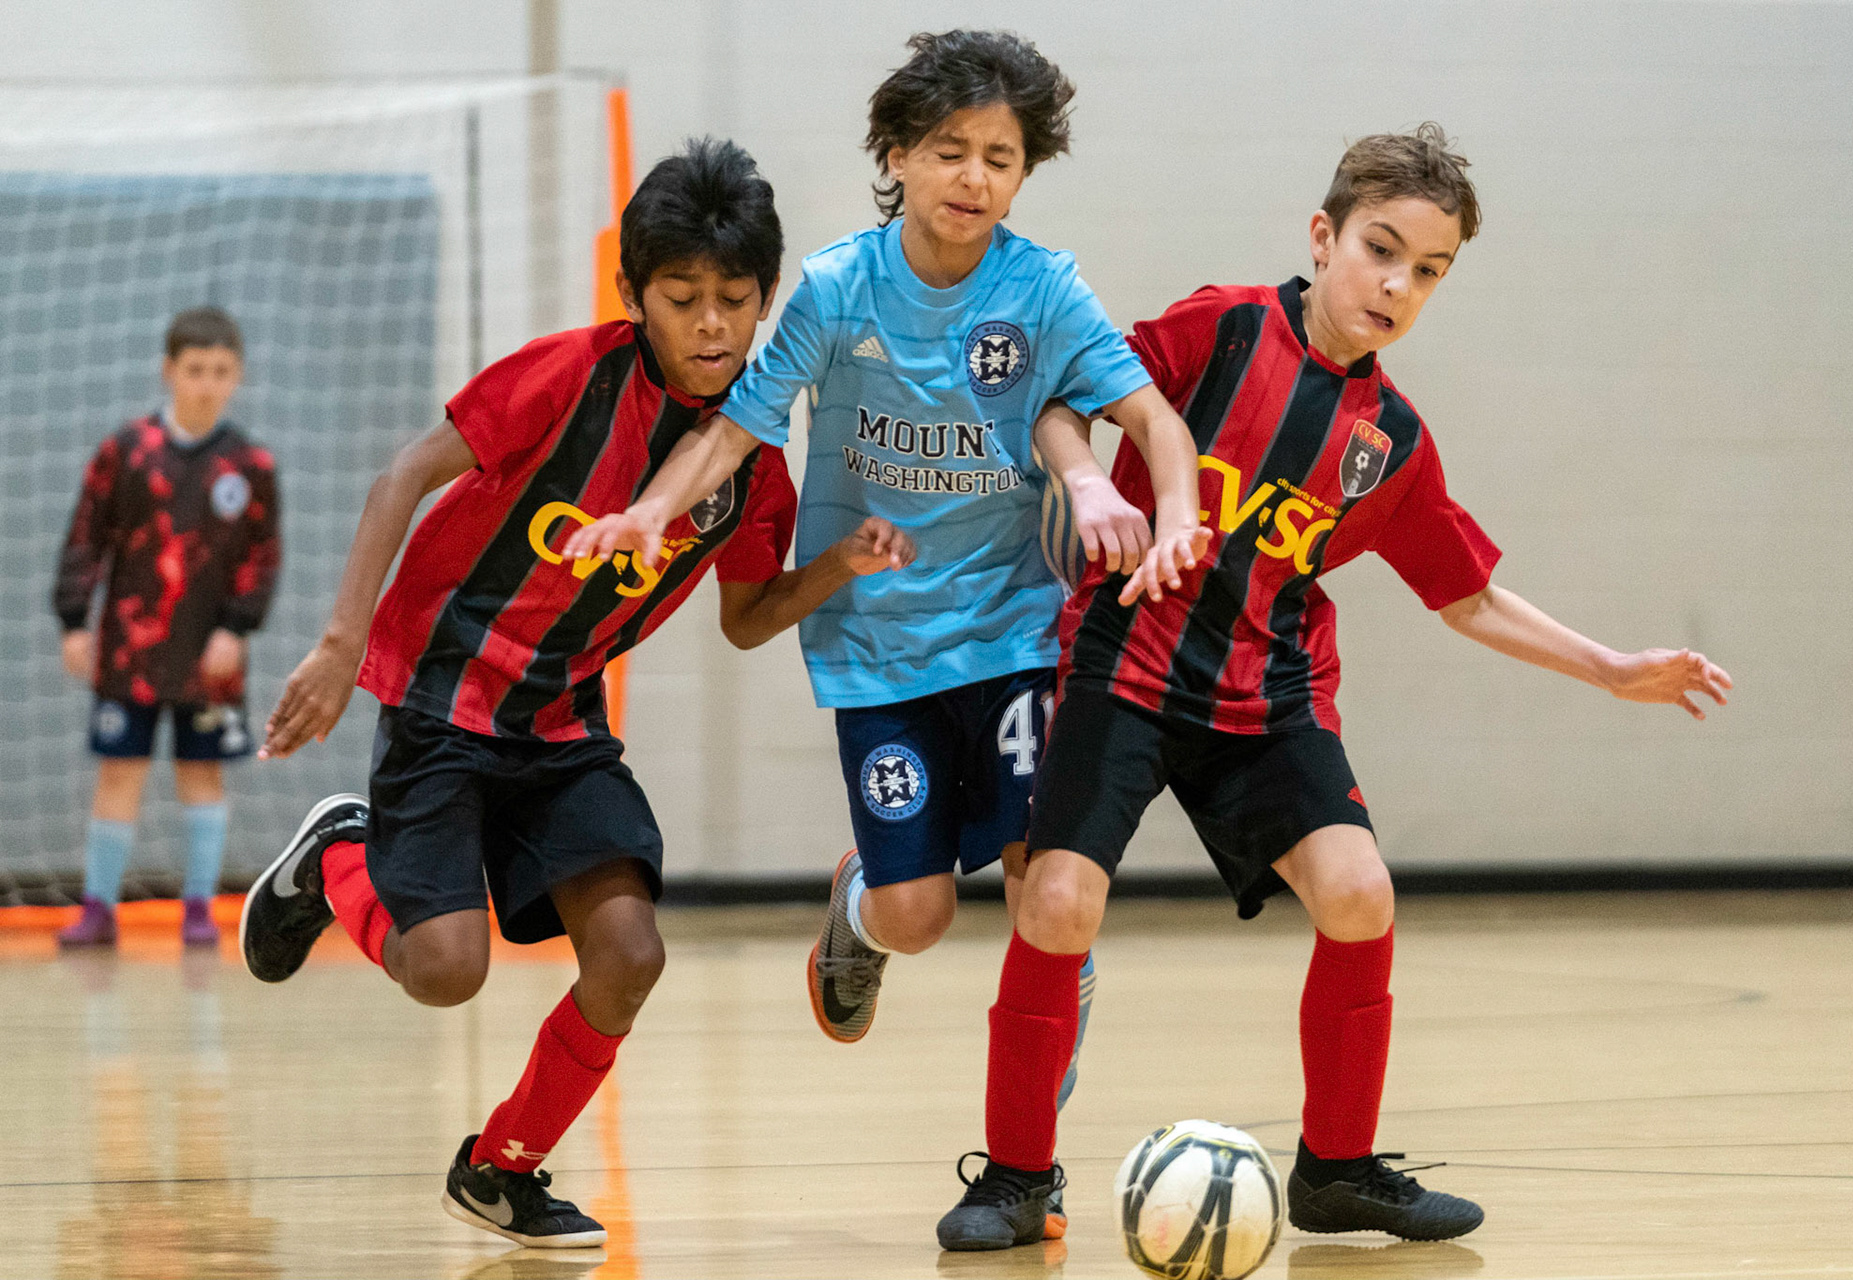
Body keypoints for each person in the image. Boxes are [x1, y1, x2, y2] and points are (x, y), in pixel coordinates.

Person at [935, 123, 1736, 1250]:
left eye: (1429, 270)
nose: (1398, 284)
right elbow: (1065, 399)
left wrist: (1611, 668)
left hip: (1268, 697)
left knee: (1361, 893)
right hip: (1124, 666)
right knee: (1058, 902)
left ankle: (1339, 1169)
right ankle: (1015, 1179)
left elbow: (1468, 596)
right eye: (1380, 249)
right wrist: (1086, 483)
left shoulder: (1390, 441)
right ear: (1322, 236)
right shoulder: (1218, 328)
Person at [562, 30, 1208, 1241]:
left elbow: (1154, 418)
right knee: (918, 913)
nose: (974, 176)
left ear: (1026, 173)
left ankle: (1028, 1162)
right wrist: (651, 510)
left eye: (1001, 157)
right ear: (898, 154)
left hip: (1015, 632)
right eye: (950, 150)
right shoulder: (838, 286)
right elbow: (738, 431)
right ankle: (859, 904)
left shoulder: (1046, 289)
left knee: (1041, 891)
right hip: (877, 647)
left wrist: (1167, 512)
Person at [236, 138, 914, 1250]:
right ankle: (337, 857)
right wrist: (336, 641)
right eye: (681, 297)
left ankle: (503, 1167)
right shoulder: (570, 374)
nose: (708, 325)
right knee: (447, 971)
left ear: (764, 304)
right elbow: (401, 475)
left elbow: (743, 621)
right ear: (635, 295)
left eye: (732, 301)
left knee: (633, 951)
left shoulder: (751, 469)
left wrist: (835, 568)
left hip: (560, 725)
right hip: (443, 702)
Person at [53, 307, 280, 949]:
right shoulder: (124, 452)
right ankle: (99, 909)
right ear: (169, 371)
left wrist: (238, 629)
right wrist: (74, 621)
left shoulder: (250, 464)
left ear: (236, 376)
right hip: (129, 650)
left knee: (201, 775)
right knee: (119, 772)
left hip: (210, 658)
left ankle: (200, 911)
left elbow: (263, 557)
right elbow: (85, 539)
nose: (207, 383)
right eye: (195, 370)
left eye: (221, 371)